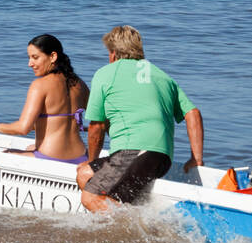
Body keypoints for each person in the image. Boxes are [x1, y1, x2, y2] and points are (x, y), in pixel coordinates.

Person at [76, 26, 204, 211]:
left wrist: (91, 158)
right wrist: (196, 159)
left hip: (135, 152)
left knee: (90, 197)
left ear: (113, 53)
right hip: (162, 158)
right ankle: (113, 221)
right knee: (84, 174)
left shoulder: (105, 73)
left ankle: (140, 229)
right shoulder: (162, 75)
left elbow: (97, 126)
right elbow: (193, 113)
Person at [0, 34, 90, 162]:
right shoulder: (80, 84)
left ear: (53, 57)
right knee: (30, 146)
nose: (30, 64)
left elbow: (22, 128)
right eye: (29, 58)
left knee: (6, 154)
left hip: (50, 157)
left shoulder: (40, 85)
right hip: (81, 156)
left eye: (35, 57)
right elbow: (95, 122)